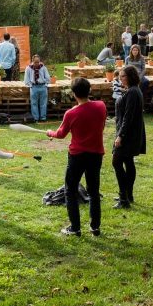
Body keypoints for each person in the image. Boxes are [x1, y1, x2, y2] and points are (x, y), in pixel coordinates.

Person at [47, 77, 106, 236]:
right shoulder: (101, 106)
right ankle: (95, 227)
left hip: (77, 156)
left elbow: (60, 134)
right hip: (96, 154)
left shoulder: (71, 113)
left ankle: (75, 228)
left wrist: (50, 133)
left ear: (73, 94)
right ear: (90, 90)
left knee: (70, 190)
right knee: (93, 191)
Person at [112, 66, 146, 209]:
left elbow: (128, 116)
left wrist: (120, 136)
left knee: (117, 161)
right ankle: (127, 194)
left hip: (128, 135)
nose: (121, 79)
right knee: (128, 162)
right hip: (131, 133)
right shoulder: (133, 90)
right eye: (120, 76)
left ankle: (124, 198)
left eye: (123, 76)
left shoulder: (133, 92)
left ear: (131, 76)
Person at [24, 54, 51, 122]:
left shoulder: (43, 67)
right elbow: (26, 79)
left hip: (42, 86)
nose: (37, 63)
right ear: (32, 61)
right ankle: (35, 118)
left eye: (38, 62)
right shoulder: (28, 68)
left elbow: (48, 77)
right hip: (34, 87)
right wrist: (31, 85)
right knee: (34, 103)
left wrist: (46, 84)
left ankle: (43, 118)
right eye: (35, 62)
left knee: (43, 103)